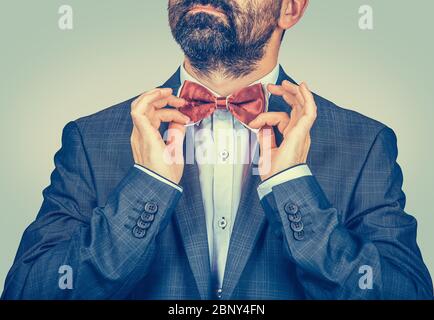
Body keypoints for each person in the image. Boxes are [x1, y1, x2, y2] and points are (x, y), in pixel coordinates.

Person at [2, 0, 432, 300]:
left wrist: (292, 187)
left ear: (291, 8)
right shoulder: (90, 139)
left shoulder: (364, 144)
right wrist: (146, 188)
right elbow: (29, 290)